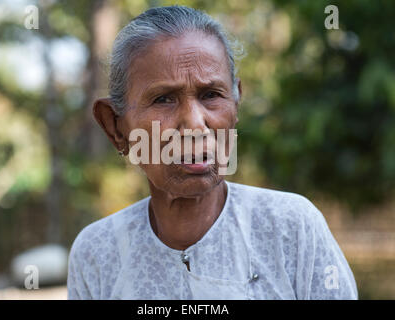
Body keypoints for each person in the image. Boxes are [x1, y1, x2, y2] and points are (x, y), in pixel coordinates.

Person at [67, 5, 358, 300]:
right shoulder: (98, 252)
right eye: (163, 99)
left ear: (236, 104)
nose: (195, 123)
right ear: (115, 126)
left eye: (211, 95)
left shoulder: (290, 228)